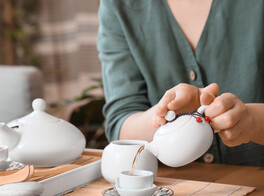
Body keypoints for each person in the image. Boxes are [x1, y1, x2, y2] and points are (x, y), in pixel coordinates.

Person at [97, 0, 264, 166]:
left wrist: (254, 121)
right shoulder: (118, 4)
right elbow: (121, 124)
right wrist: (165, 113)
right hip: (175, 187)